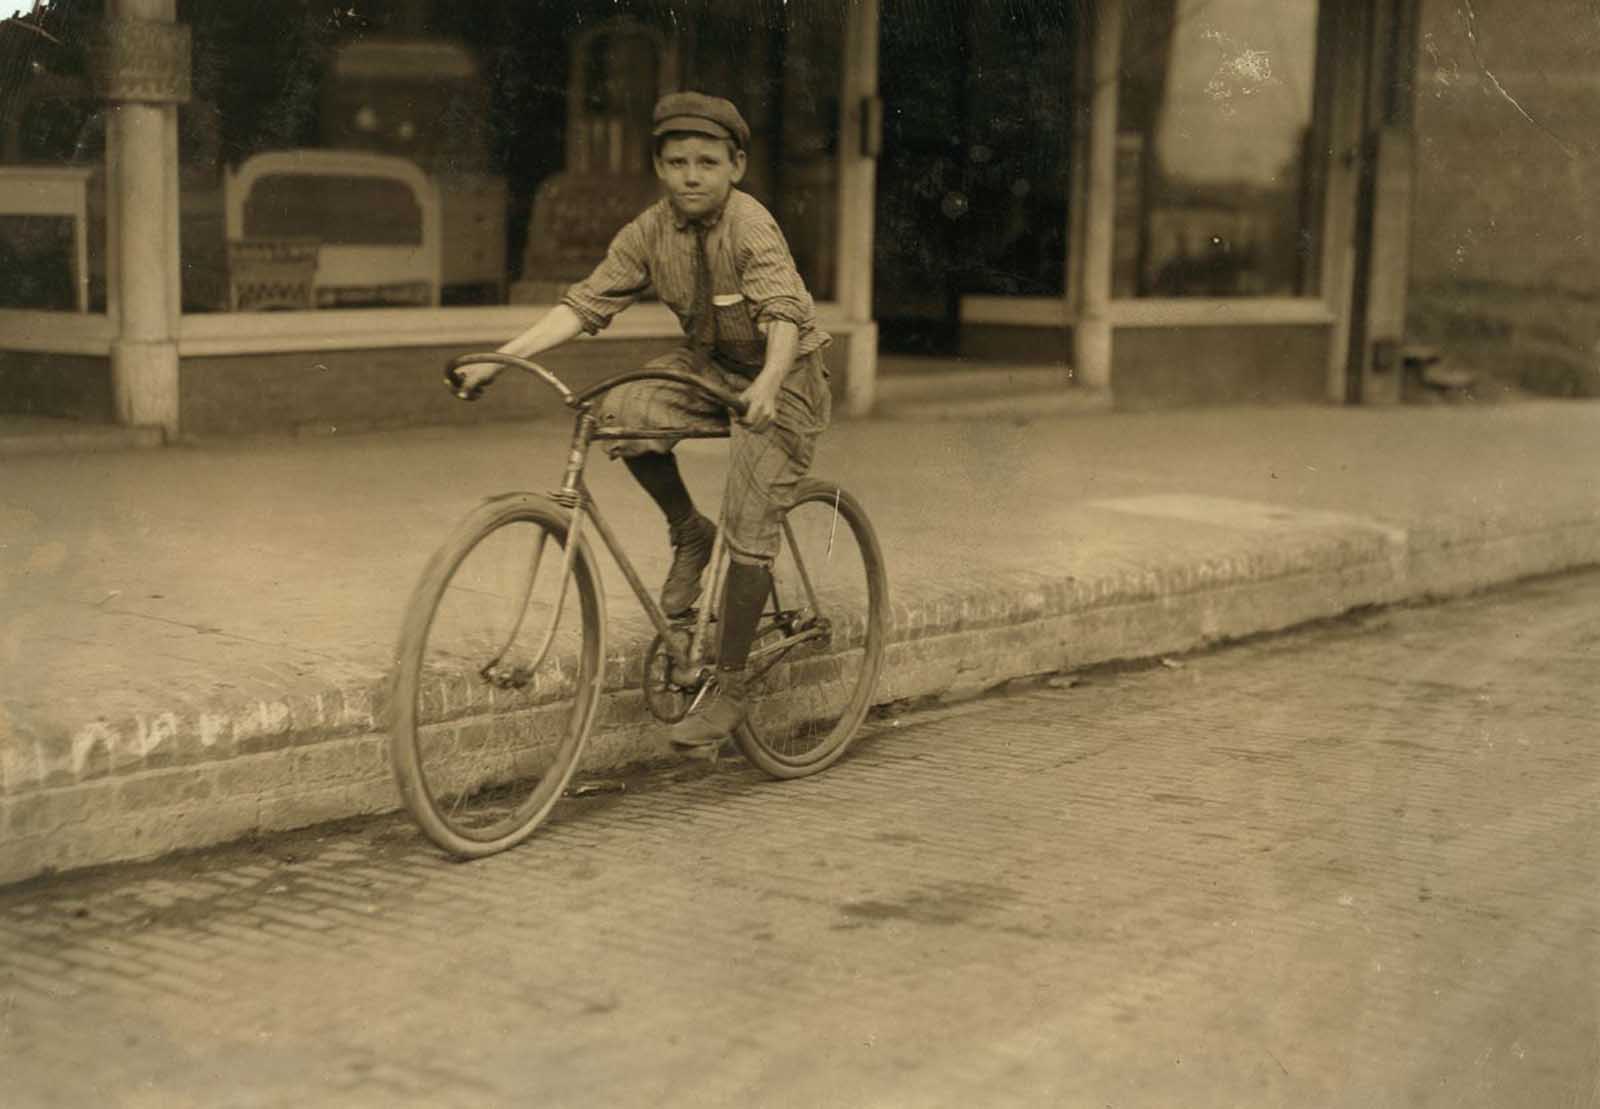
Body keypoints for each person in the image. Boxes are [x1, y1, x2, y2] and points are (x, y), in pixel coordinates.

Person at [450, 91, 832, 749]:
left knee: (750, 521)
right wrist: (499, 359)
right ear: (658, 166)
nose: (691, 174)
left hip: (787, 376)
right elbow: (586, 304)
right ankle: (688, 529)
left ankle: (733, 684)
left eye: (707, 161)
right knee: (619, 412)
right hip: (709, 367)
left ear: (736, 165)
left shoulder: (752, 226)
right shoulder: (648, 232)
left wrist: (768, 384)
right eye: (676, 160)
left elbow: (783, 319)